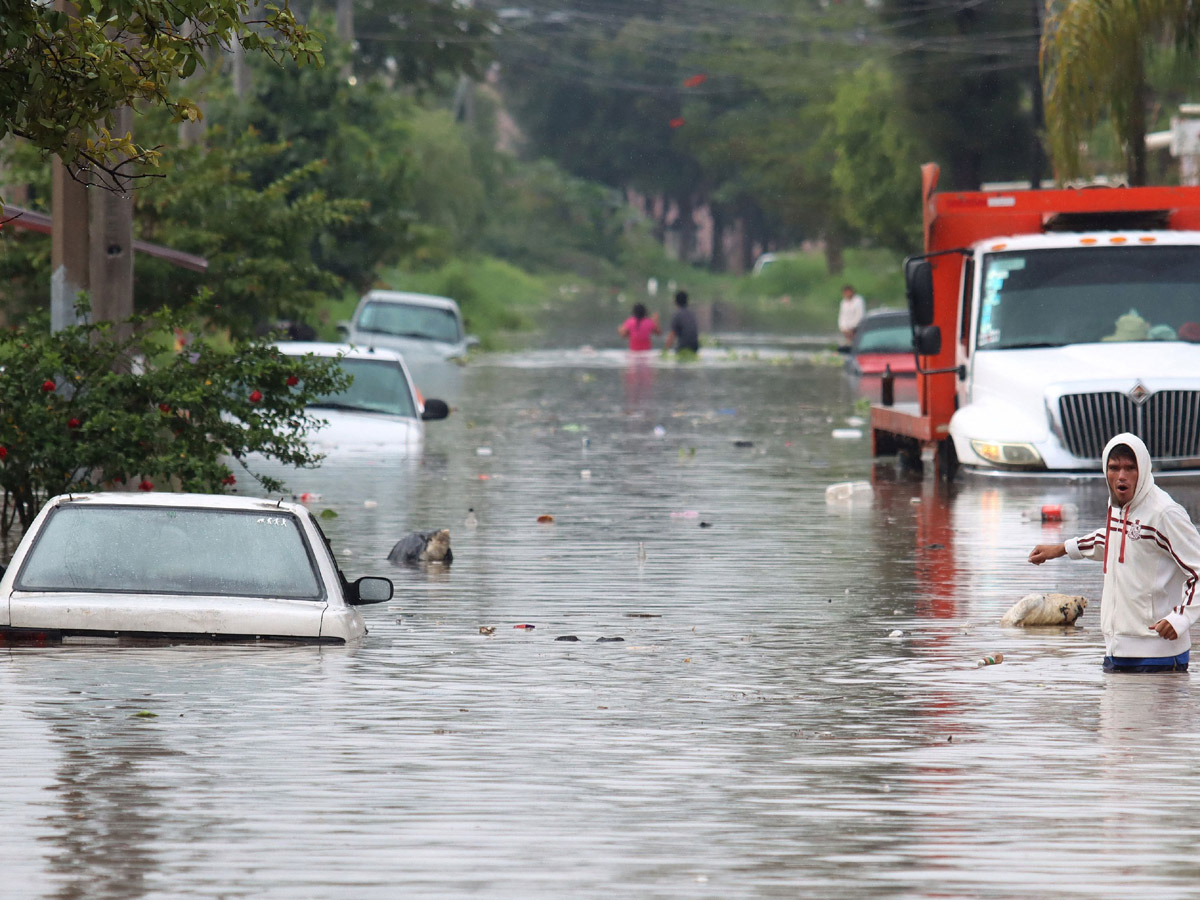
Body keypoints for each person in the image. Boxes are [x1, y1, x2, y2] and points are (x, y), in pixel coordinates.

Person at [1029, 433, 1200, 673]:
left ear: (1144, 469)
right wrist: (1061, 549)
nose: (1121, 476)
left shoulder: (1165, 513)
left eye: (1130, 468)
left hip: (1158, 655)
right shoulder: (1117, 506)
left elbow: (1198, 571)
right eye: (1114, 468)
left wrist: (1180, 619)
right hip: (1116, 650)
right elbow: (1112, 540)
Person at [664, 290, 700, 354]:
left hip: (683, 347)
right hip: (695, 346)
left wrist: (665, 350)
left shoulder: (677, 315)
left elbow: (672, 335)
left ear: (676, 302)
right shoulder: (692, 314)